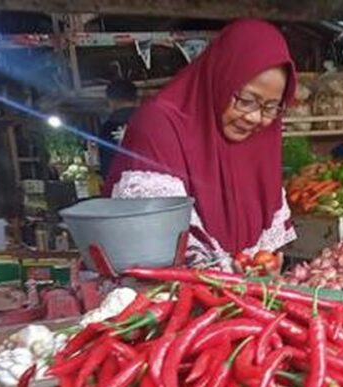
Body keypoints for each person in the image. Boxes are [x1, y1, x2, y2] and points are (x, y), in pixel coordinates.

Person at [106, 20, 297, 271]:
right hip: (168, 292)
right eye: (246, 100)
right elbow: (158, 245)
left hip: (240, 294)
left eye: (271, 107)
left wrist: (262, 271)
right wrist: (229, 276)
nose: (255, 117)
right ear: (221, 78)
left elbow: (264, 252)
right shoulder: (159, 125)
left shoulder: (261, 138)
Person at [98, 79, 139, 178]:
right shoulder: (151, 122)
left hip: (120, 184)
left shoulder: (107, 128)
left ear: (110, 101)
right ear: (136, 98)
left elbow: (106, 168)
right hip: (154, 182)